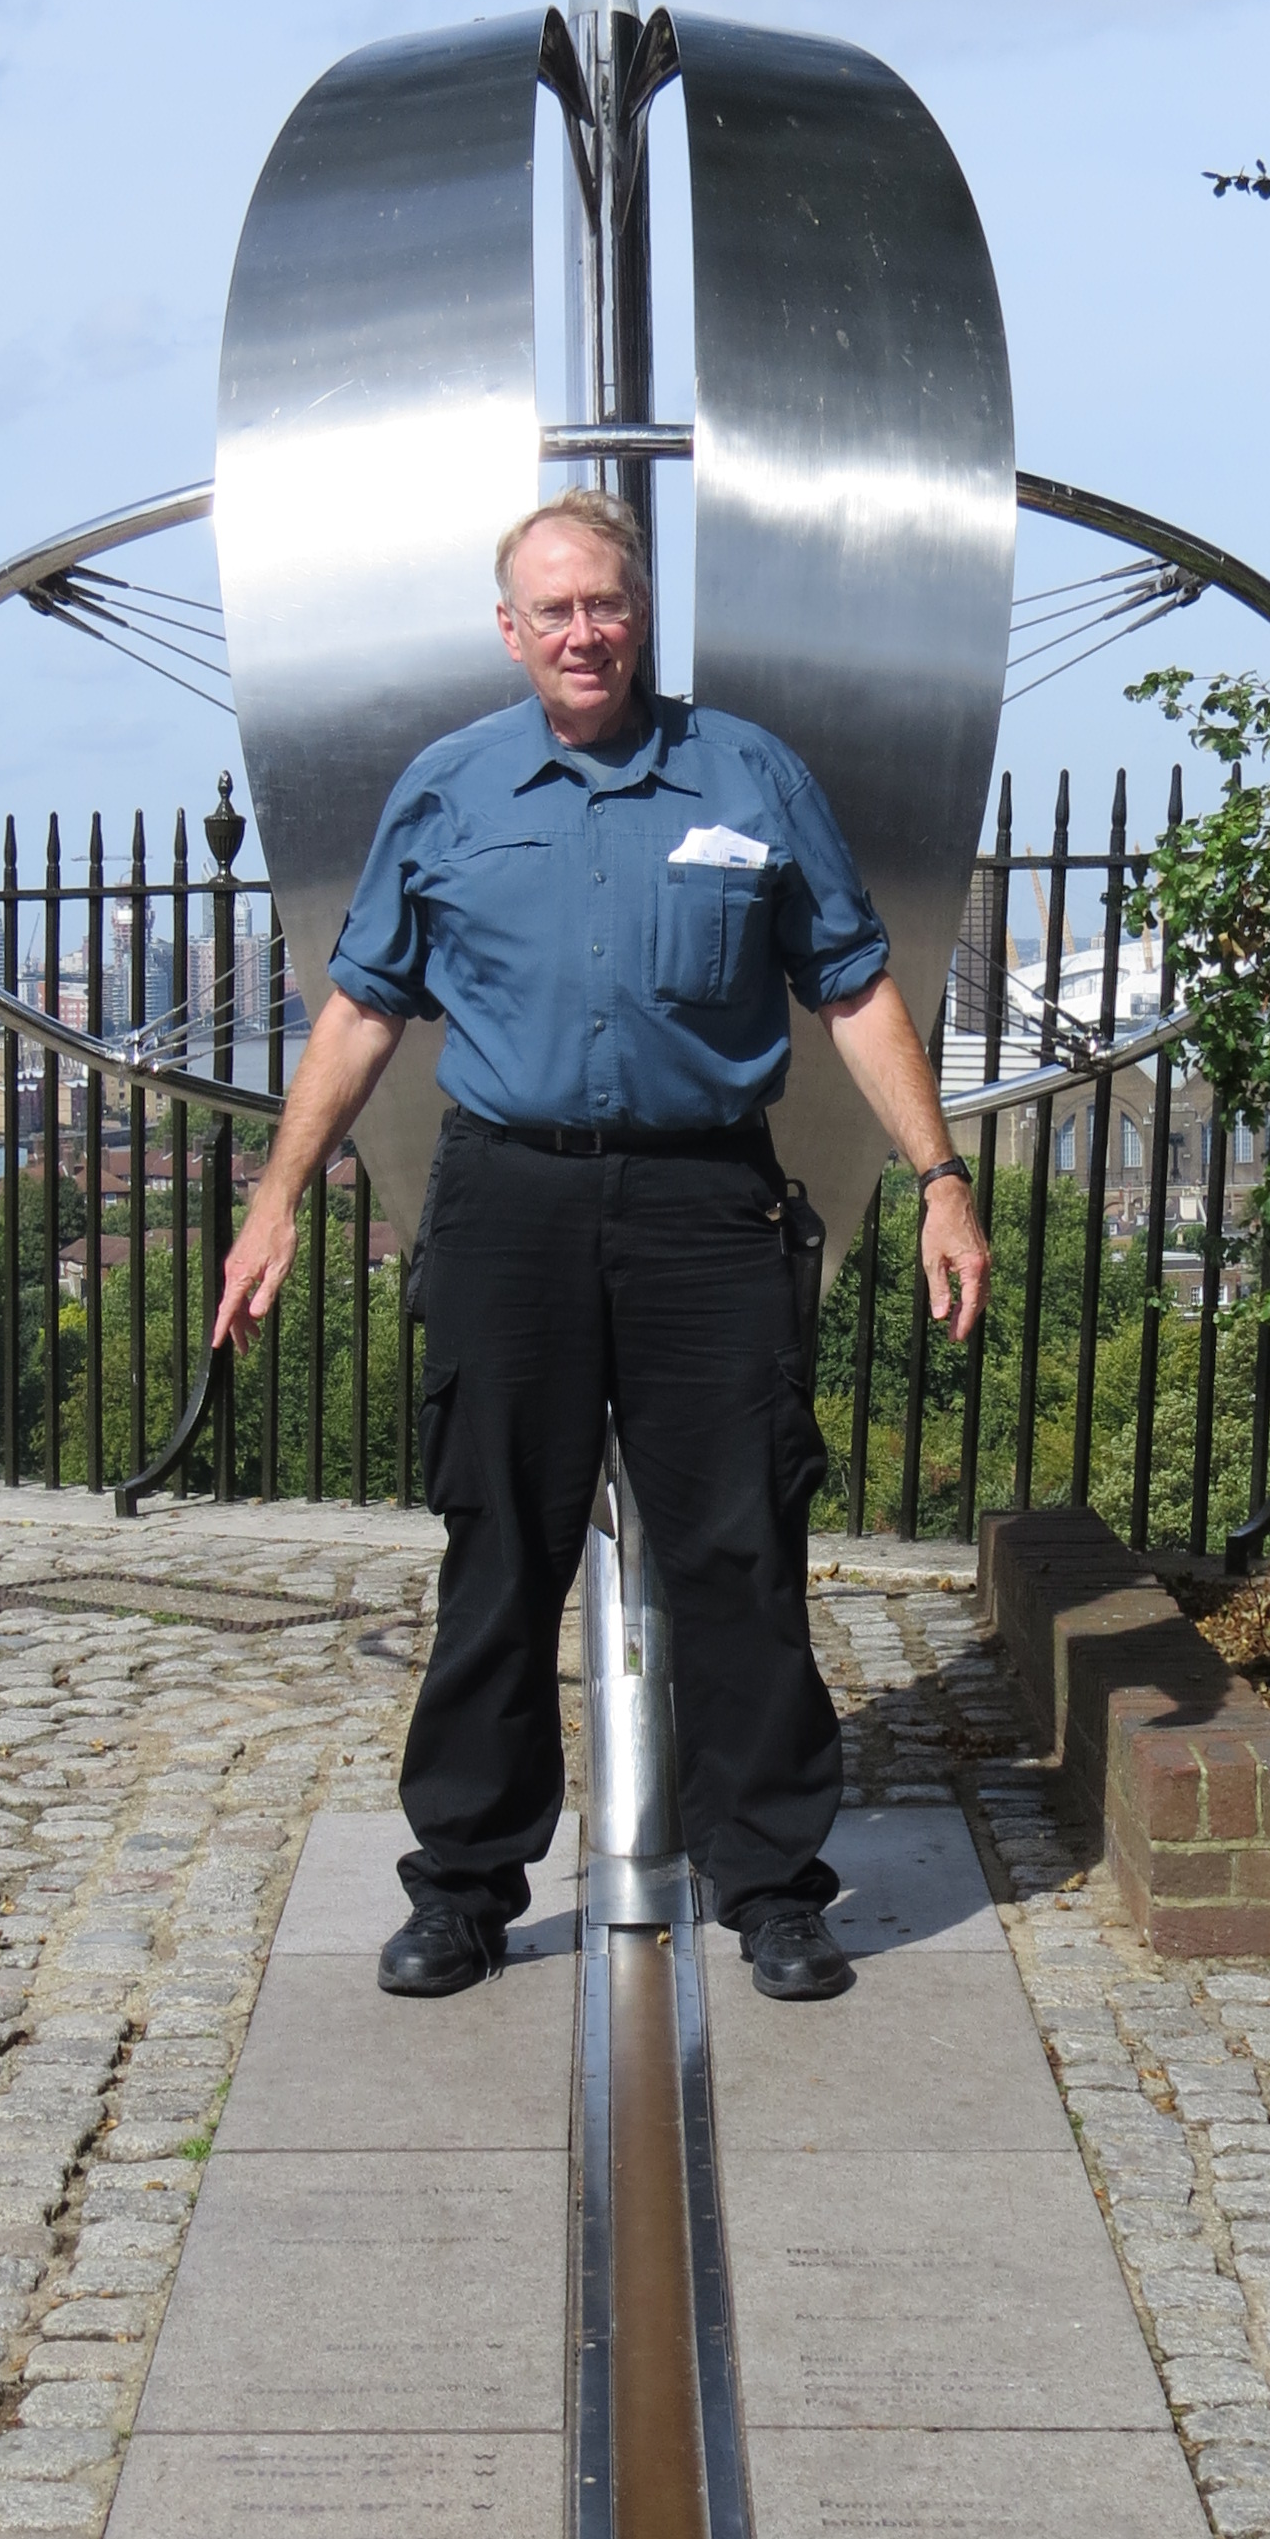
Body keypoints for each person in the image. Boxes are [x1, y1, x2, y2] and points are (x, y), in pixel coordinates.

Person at [212, 488, 990, 2002]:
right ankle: (464, 1885)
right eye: (555, 609)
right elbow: (363, 1007)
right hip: (509, 1206)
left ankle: (772, 1885)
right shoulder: (447, 788)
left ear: (644, 617)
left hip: (709, 1211)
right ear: (510, 630)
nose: (584, 632)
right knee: (499, 1548)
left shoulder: (750, 774)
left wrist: (941, 1178)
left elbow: (850, 984)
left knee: (740, 1551)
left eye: (607, 604)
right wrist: (279, 1194)